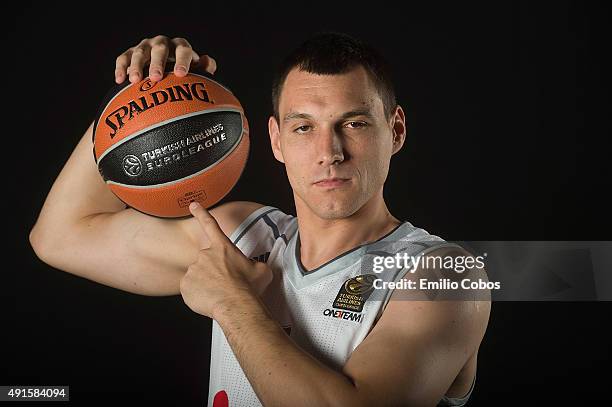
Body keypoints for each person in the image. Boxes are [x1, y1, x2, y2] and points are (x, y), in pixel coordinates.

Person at [30, 32, 491, 406]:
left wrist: (234, 305)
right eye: (303, 127)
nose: (329, 153)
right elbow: (61, 236)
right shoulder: (242, 236)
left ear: (395, 130)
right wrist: (139, 103)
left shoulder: (442, 275)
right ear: (275, 140)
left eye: (354, 123)